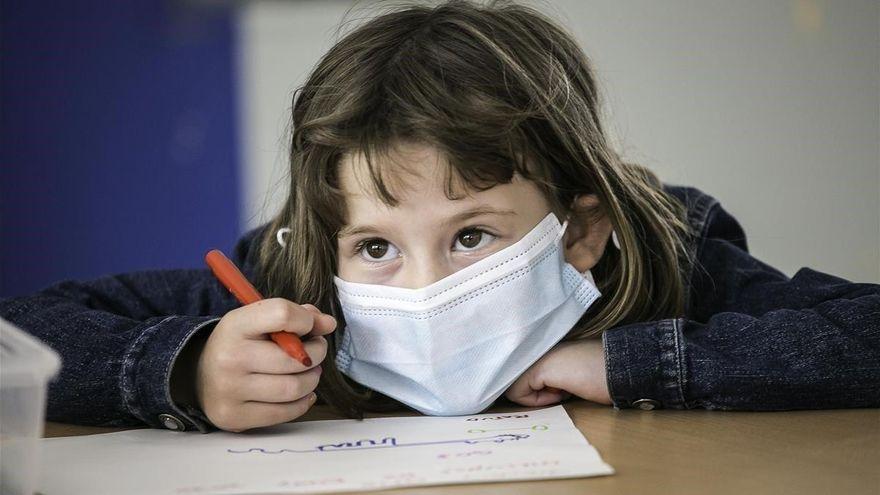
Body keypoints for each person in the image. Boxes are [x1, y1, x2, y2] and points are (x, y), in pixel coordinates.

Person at [1, 0, 877, 433]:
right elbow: (20, 332)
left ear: (578, 229)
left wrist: (632, 360)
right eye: (377, 245)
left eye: (470, 236)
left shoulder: (668, 258)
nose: (425, 288)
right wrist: (185, 369)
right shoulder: (292, 283)